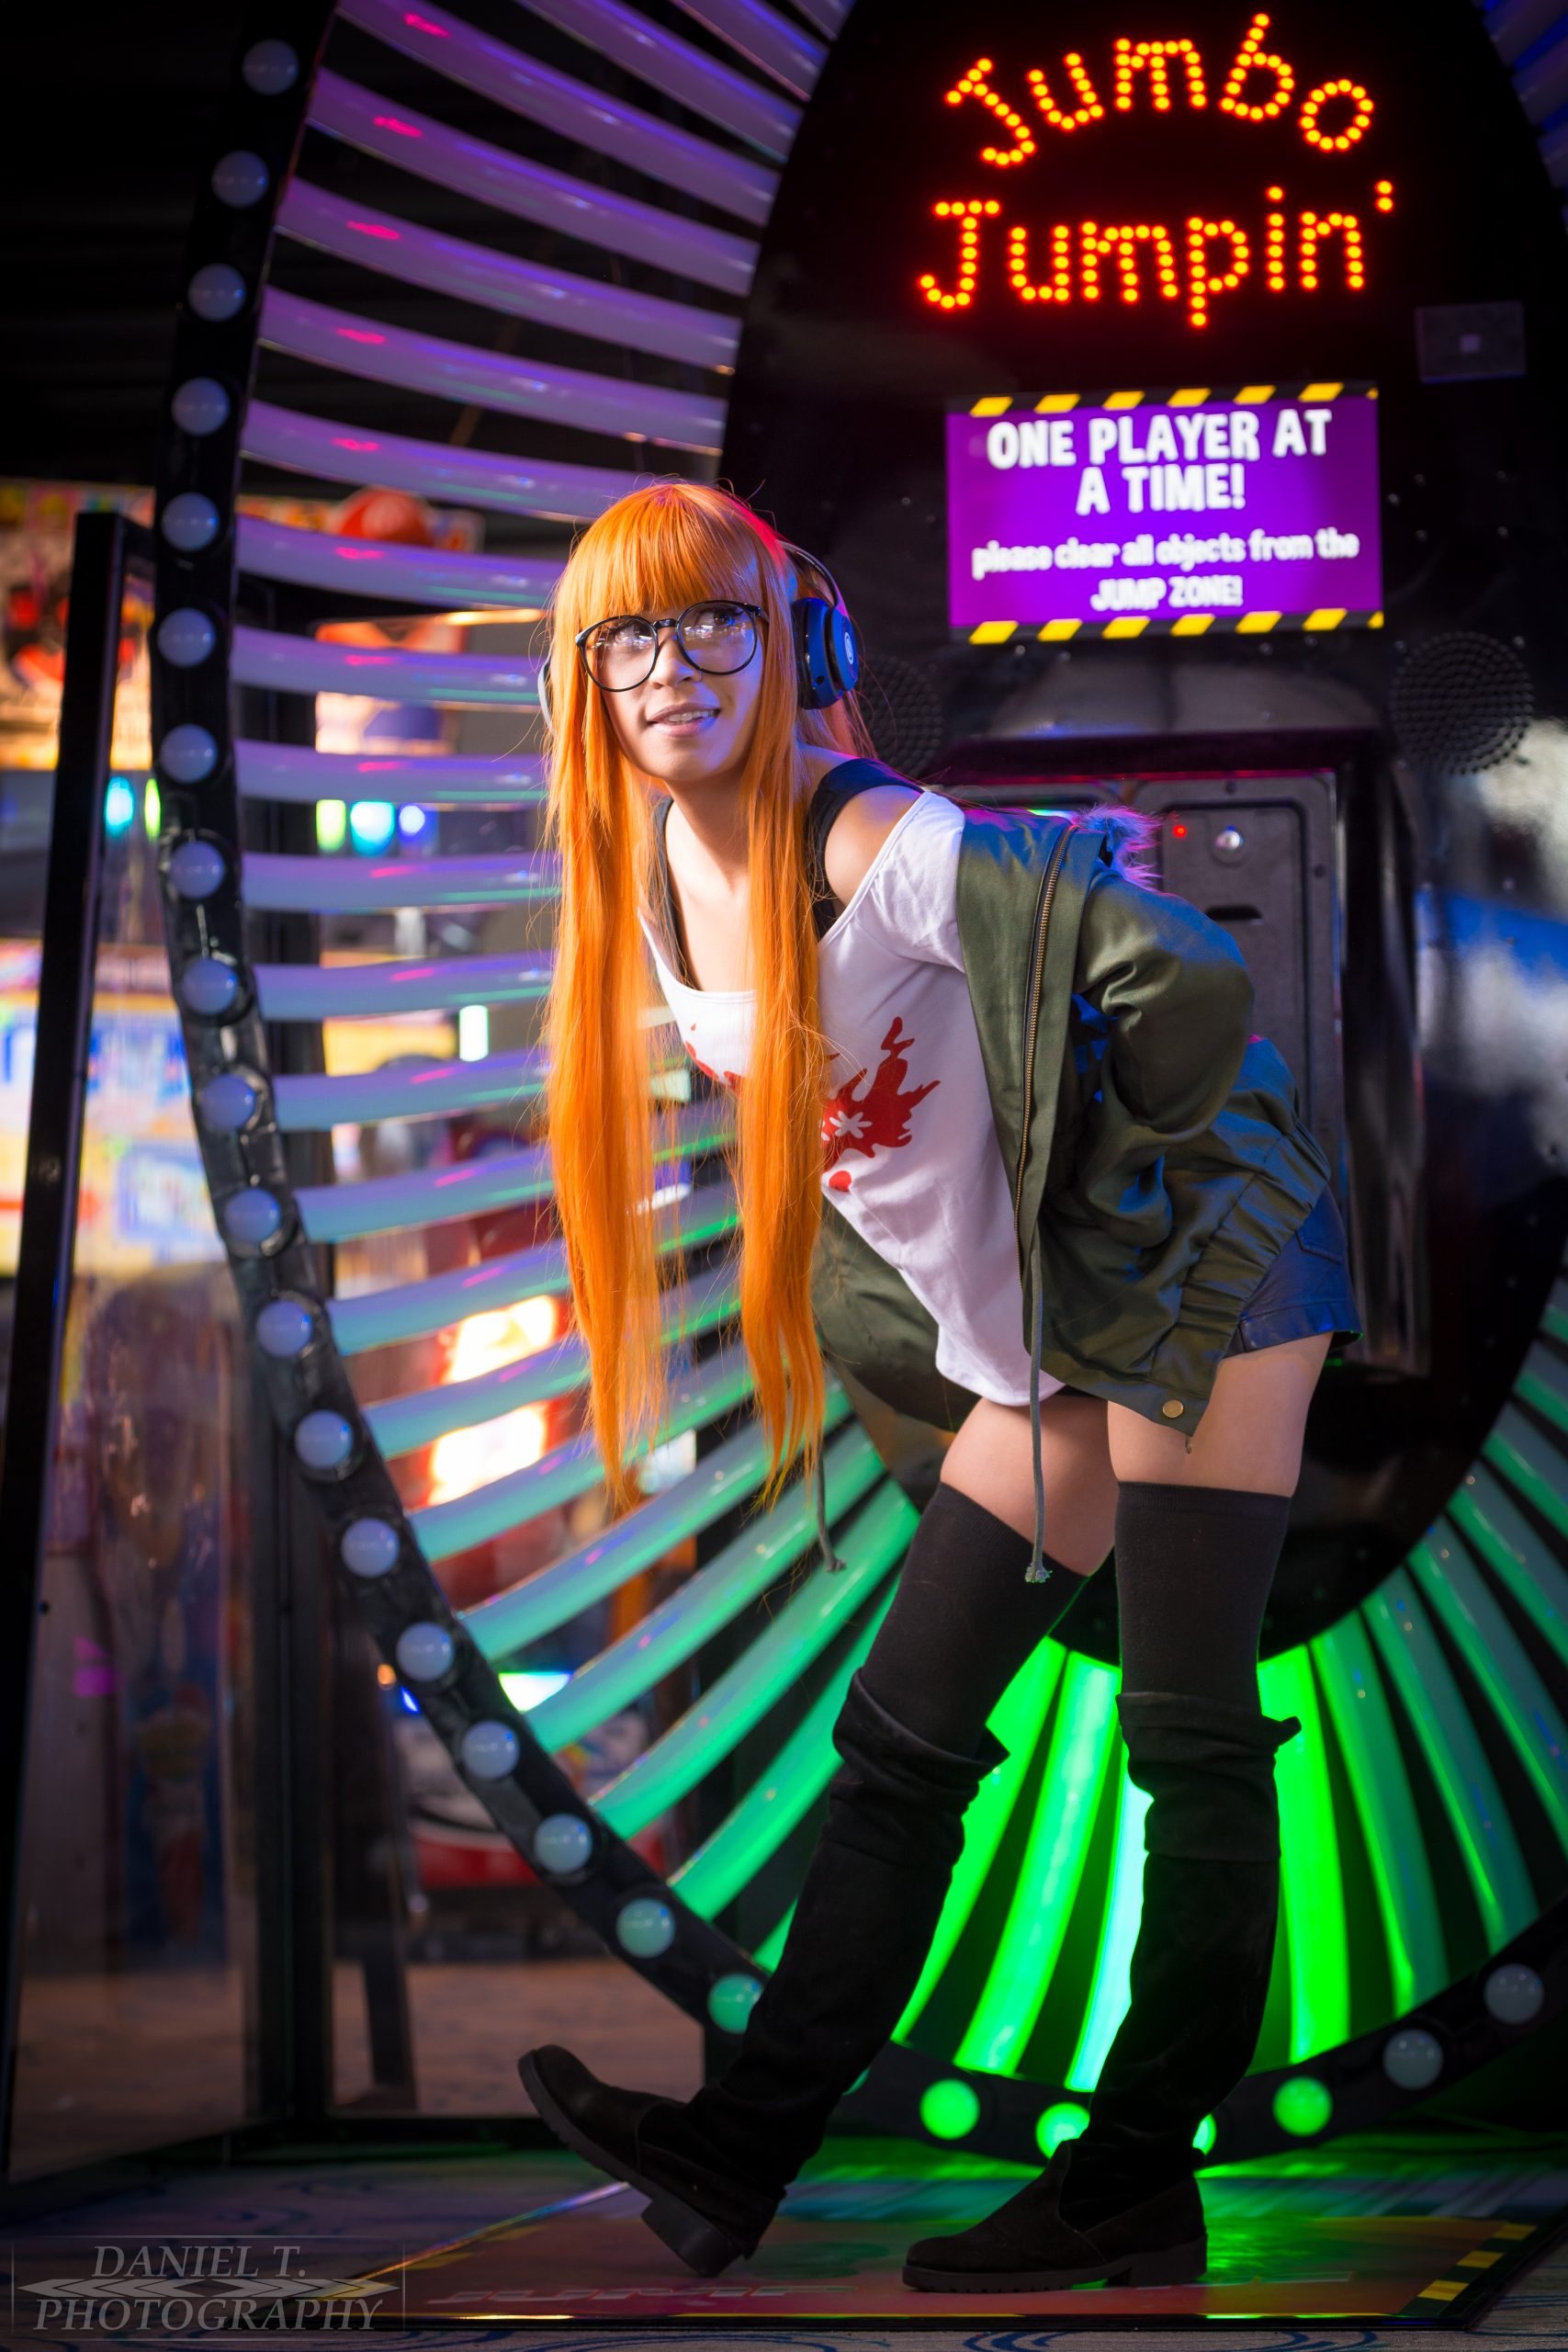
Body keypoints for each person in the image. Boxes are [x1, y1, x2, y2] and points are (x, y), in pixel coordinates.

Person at [517, 480, 1363, 2292]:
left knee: (1188, 1732)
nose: (669, 667)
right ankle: (739, 2149)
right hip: (1050, 1336)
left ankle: (1130, 2176)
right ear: (576, 680)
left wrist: (1110, 1231)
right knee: (900, 1742)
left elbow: (1186, 973)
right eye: (625, 634)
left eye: (711, 622)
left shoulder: (863, 832)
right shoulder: (656, 876)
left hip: (1196, 1269)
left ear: (789, 647)